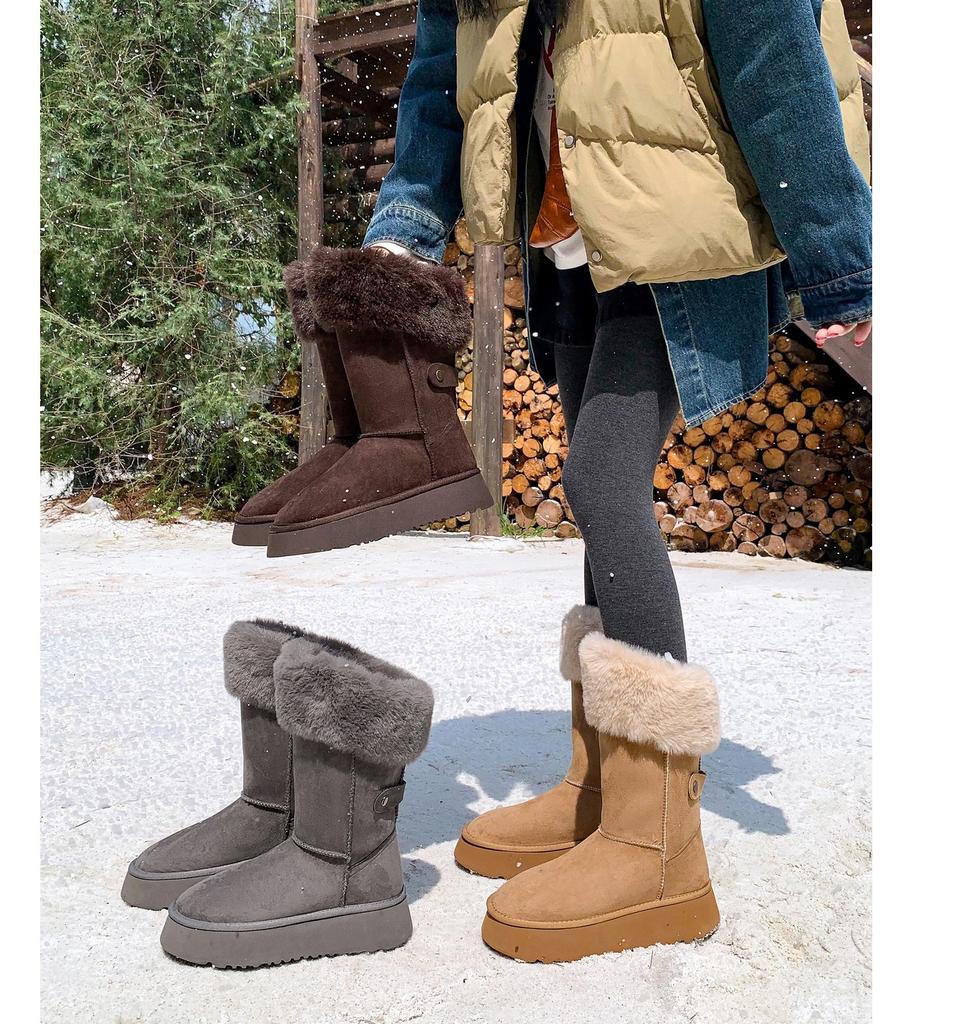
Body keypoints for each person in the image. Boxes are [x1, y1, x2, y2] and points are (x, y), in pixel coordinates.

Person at [362, 0, 872, 963]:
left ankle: (661, 847)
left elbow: (773, 59)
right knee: (592, 489)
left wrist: (843, 263)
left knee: (602, 481)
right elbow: (439, 80)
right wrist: (403, 228)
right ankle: (602, 790)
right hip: (571, 240)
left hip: (685, 229)